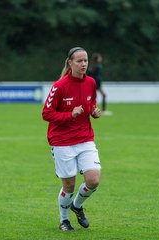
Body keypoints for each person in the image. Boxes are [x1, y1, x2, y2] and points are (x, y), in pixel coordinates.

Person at [42, 47, 102, 231]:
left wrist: (93, 111)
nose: (83, 64)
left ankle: (76, 206)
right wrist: (70, 115)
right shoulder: (59, 86)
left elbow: (90, 102)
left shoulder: (91, 82)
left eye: (85, 61)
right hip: (62, 141)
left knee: (93, 180)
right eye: (79, 61)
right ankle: (64, 220)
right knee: (69, 185)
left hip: (85, 139)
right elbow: (46, 113)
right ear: (70, 63)